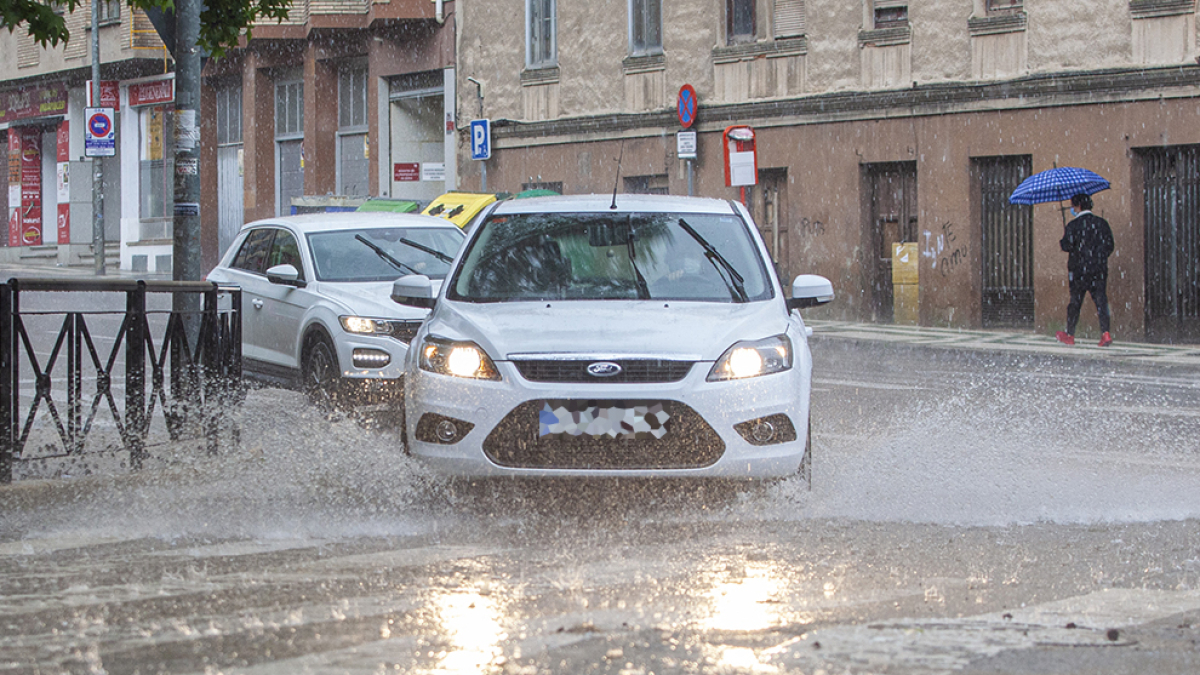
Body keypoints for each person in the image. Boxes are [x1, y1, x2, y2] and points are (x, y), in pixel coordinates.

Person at [1057, 193, 1114, 347]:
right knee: (1101, 301)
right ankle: (1105, 333)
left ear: (1078, 206)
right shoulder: (1102, 223)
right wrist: (1099, 258)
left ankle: (1070, 334)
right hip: (1098, 269)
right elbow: (1110, 245)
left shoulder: (1073, 226)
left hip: (1078, 271)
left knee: (1075, 302)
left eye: (1073, 206)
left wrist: (1066, 238)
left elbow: (1066, 246)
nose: (1072, 209)